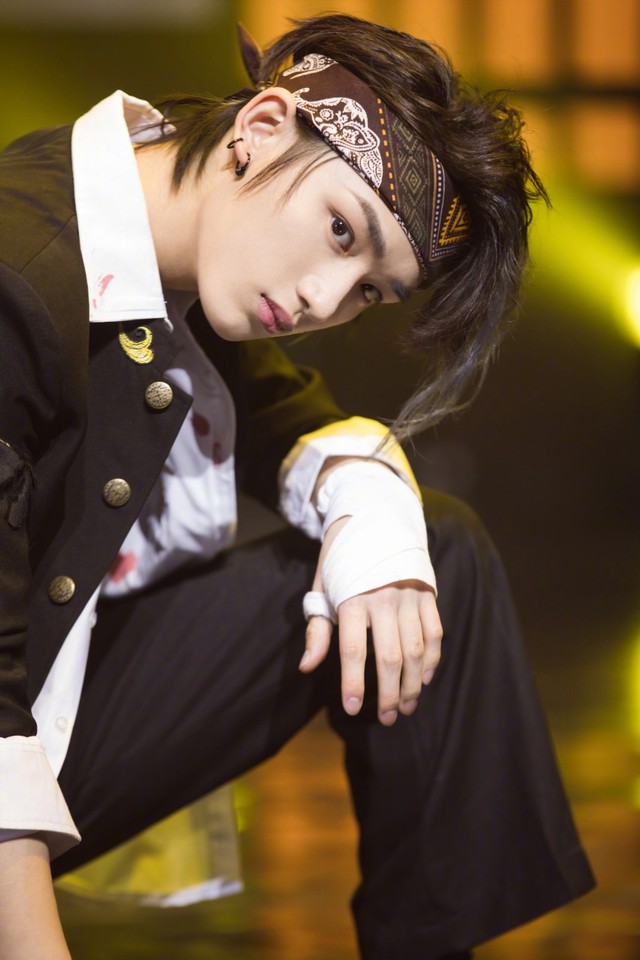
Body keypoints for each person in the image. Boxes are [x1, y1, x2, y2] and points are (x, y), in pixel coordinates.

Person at [0, 13, 594, 959]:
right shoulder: (22, 280)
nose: (324, 298)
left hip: (44, 710)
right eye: (340, 230)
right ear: (262, 126)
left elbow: (291, 423)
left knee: (429, 558)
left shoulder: (175, 231)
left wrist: (376, 528)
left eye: (369, 291)